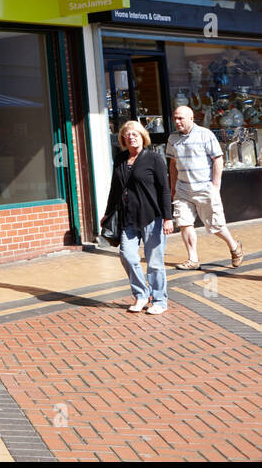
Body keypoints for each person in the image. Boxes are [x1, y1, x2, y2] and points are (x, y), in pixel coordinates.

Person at [101, 120, 174, 314]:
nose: (131, 137)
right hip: (127, 218)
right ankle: (141, 295)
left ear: (142, 136)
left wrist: (168, 217)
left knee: (155, 262)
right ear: (123, 139)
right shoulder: (120, 159)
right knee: (127, 255)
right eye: (127, 135)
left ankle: (159, 301)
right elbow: (115, 189)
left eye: (135, 134)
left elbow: (164, 190)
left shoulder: (154, 158)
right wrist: (108, 213)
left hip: (152, 217)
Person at [166, 105, 244, 270]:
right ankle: (193, 259)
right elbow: (172, 164)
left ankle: (234, 246)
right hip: (183, 190)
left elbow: (218, 159)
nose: (177, 121)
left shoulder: (205, 134)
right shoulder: (172, 138)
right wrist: (173, 187)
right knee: (184, 223)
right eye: (175, 118)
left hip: (205, 189)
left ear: (191, 118)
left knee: (216, 226)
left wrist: (215, 186)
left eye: (181, 118)